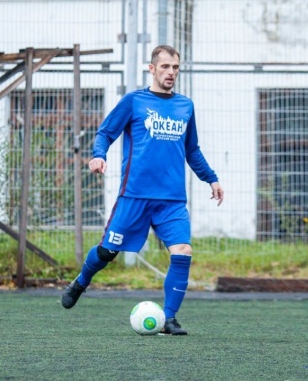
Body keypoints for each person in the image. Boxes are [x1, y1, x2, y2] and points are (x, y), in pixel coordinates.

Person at [61, 45, 224, 335]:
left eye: (175, 67)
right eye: (165, 67)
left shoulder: (185, 106)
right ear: (152, 69)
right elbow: (105, 132)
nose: (171, 72)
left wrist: (211, 178)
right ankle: (81, 281)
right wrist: (99, 155)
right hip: (134, 196)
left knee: (183, 251)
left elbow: (192, 150)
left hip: (171, 200)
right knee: (107, 252)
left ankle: (169, 319)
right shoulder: (134, 101)